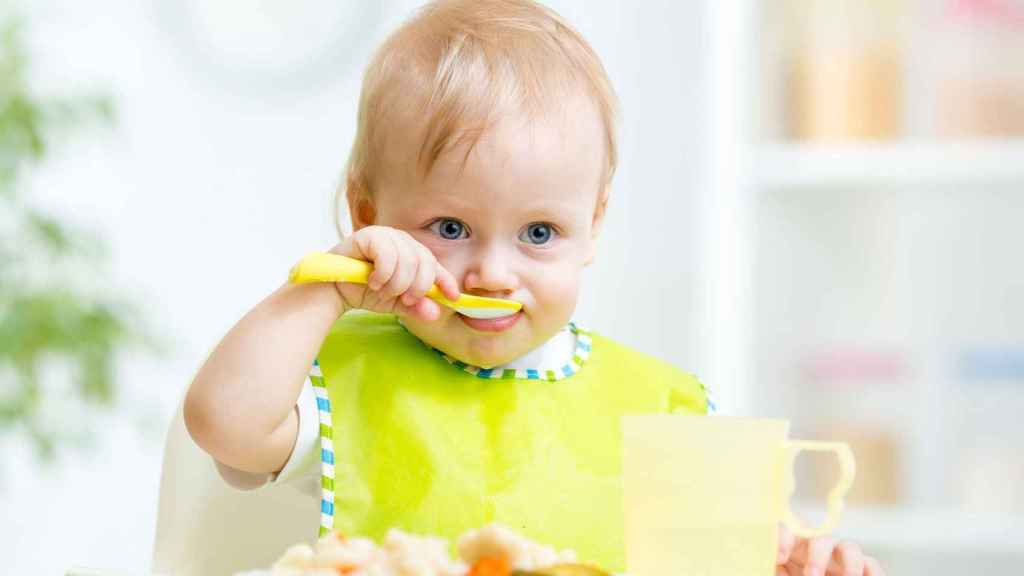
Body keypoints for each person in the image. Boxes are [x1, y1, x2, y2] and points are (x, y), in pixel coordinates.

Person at [184, 1, 884, 574]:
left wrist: (791, 567)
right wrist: (327, 288)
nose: (492, 272)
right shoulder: (339, 375)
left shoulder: (663, 411)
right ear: (370, 216)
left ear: (593, 225)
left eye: (539, 233)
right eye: (449, 227)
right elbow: (222, 423)